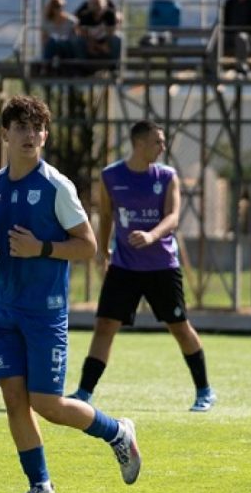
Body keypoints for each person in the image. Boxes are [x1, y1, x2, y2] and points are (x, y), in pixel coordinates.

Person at [0, 95, 140, 493]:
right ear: (4, 134)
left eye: (36, 128)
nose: (29, 135)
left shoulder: (56, 185)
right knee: (14, 401)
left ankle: (117, 433)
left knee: (47, 404)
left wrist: (41, 248)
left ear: (45, 136)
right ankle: (41, 488)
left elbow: (87, 246)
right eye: (20, 127)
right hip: (3, 310)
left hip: (46, 312)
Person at [68, 120, 217, 412]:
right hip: (124, 266)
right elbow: (107, 214)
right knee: (105, 326)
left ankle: (204, 391)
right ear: (139, 144)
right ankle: (84, 392)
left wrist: (151, 235)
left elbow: (173, 217)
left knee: (179, 327)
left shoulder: (167, 176)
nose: (163, 147)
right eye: (157, 142)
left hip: (162, 266)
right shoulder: (111, 176)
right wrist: (103, 249)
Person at [74, 0, 122, 71]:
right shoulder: (85, 16)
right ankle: (82, 68)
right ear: (90, 5)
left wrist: (104, 45)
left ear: (105, 4)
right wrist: (94, 45)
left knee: (118, 38)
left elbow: (111, 32)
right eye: (95, 3)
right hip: (90, 43)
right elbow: (82, 33)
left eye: (99, 3)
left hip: (106, 43)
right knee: (78, 41)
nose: (97, 6)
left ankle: (114, 67)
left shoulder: (110, 15)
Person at [40, 0, 77, 74]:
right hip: (53, 50)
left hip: (67, 49)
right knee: (52, 41)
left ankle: (48, 66)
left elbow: (76, 38)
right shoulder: (47, 22)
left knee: (60, 42)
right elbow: (44, 39)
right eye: (56, 6)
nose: (59, 9)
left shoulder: (71, 21)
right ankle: (46, 67)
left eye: (61, 6)